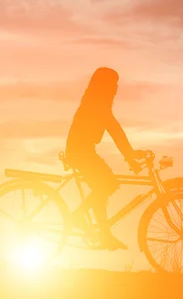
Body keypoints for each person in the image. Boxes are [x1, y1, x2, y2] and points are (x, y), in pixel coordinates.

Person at [64, 67, 136, 251]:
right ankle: (78, 216)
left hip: (82, 151)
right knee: (108, 184)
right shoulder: (97, 104)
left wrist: (131, 156)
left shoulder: (95, 102)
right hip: (81, 152)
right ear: (105, 85)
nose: (116, 87)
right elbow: (116, 131)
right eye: (113, 83)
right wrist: (131, 157)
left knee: (102, 188)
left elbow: (115, 130)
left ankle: (105, 236)